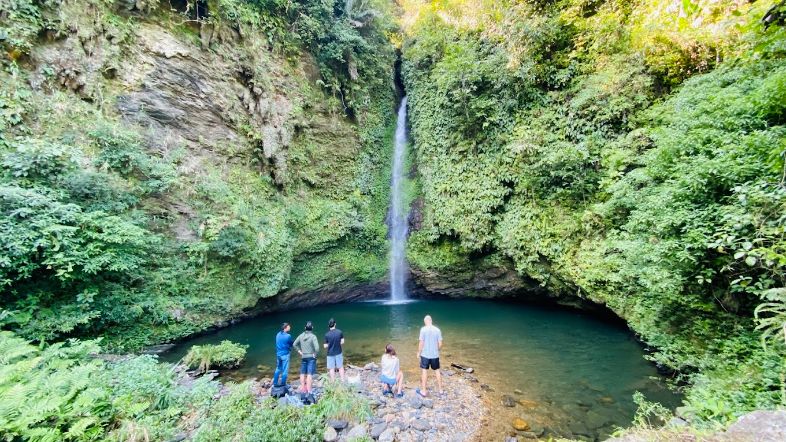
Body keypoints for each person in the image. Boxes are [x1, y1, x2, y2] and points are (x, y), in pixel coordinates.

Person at [416, 314, 443, 397]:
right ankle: (440, 390)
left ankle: (423, 391)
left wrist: (418, 352)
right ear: (431, 321)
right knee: (437, 371)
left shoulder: (423, 329)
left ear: (426, 321)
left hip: (425, 355)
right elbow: (440, 344)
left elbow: (421, 343)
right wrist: (436, 350)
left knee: (424, 371)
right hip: (435, 355)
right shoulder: (437, 330)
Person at [293, 320, 319, 393]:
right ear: (312, 328)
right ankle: (309, 390)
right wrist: (315, 353)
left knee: (302, 373)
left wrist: (300, 351)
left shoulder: (301, 336)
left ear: (305, 328)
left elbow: (294, 344)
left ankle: (303, 389)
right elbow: (317, 348)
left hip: (303, 356)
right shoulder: (313, 336)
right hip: (311, 357)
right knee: (309, 374)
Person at [272, 322, 293, 387]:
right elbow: (291, 344)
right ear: (285, 328)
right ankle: (283, 384)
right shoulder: (288, 336)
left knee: (278, 368)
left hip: (278, 354)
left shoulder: (278, 334)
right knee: (285, 370)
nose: (290, 327)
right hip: (285, 355)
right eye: (288, 327)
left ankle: (275, 383)